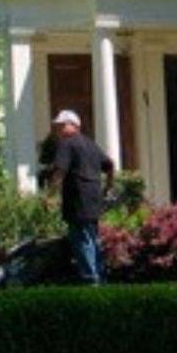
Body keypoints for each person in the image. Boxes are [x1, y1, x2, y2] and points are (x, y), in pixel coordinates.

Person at [49, 109, 114, 284]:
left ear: (73, 125)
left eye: (61, 125)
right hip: (93, 200)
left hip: (78, 200)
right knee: (92, 239)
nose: (58, 130)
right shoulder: (91, 144)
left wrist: (51, 195)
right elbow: (110, 165)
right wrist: (108, 187)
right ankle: (100, 278)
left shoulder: (67, 144)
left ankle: (91, 280)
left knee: (82, 240)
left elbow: (59, 171)